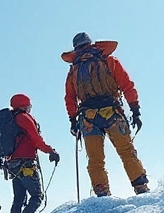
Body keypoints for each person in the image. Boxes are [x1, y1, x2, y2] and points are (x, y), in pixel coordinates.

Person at [63, 32, 150, 197]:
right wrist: (135, 109)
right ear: (90, 43)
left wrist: (73, 120)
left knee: (95, 160)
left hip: (88, 117)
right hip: (112, 112)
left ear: (76, 48)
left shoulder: (74, 69)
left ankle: (102, 192)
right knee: (126, 151)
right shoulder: (109, 61)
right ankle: (141, 188)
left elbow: (70, 98)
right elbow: (127, 84)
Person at [3, 94, 59, 213]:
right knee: (37, 196)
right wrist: (50, 151)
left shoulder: (9, 120)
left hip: (12, 165)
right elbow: (36, 139)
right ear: (25, 105)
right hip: (26, 163)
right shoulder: (24, 118)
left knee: (18, 199)